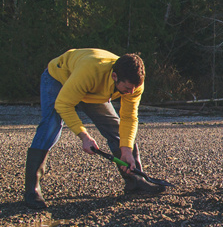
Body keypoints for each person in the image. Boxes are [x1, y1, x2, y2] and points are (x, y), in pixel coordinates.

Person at [23, 48, 165, 209]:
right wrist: (84, 136)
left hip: (93, 91)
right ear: (114, 76)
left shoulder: (134, 83)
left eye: (134, 88)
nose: (131, 92)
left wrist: (126, 149)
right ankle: (32, 190)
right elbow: (63, 104)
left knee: (117, 130)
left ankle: (136, 182)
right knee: (51, 126)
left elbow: (129, 117)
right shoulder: (90, 71)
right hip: (59, 78)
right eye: (127, 88)